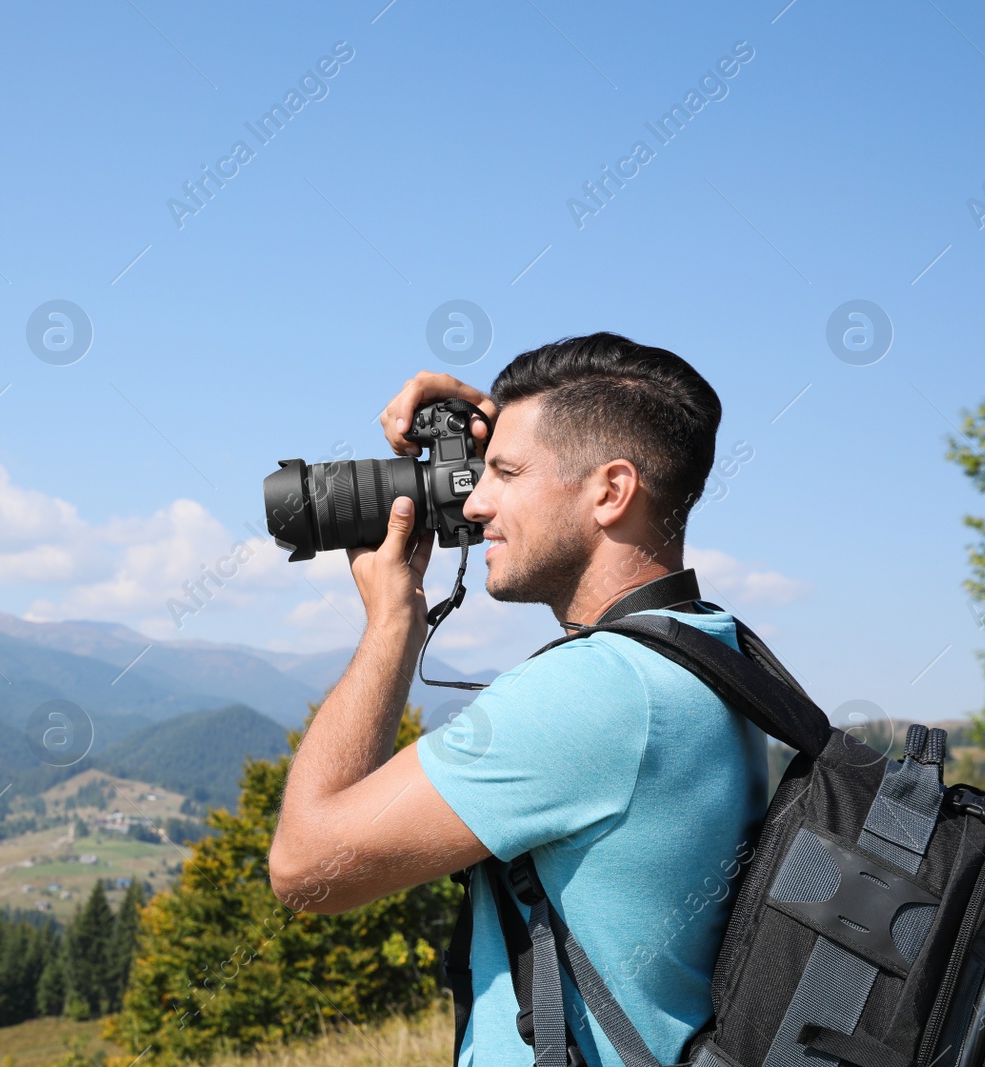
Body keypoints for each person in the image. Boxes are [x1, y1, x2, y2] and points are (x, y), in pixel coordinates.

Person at [268, 332, 769, 1067]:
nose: (475, 500)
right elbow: (585, 430)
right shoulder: (708, 650)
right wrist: (493, 425)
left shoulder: (595, 693)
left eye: (503, 471)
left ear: (611, 490)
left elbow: (305, 868)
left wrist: (391, 625)